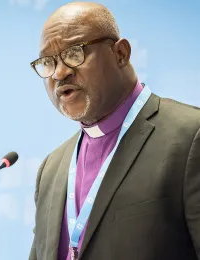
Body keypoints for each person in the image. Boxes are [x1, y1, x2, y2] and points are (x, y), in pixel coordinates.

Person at [28, 2, 200, 260]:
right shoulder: (51, 170)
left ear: (121, 53)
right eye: (48, 62)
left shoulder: (190, 137)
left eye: (74, 53)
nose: (60, 72)